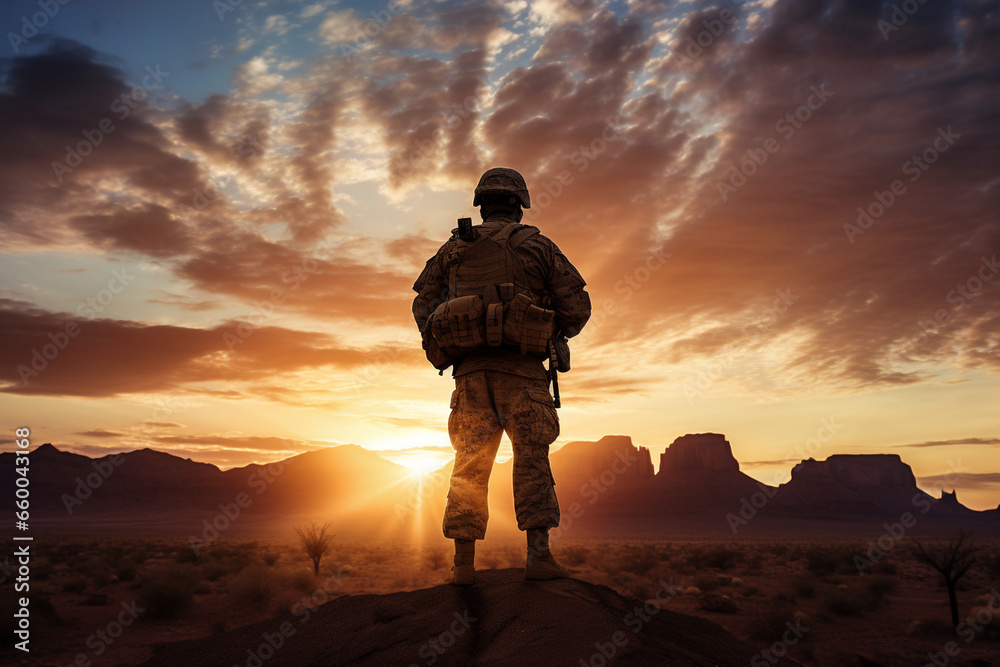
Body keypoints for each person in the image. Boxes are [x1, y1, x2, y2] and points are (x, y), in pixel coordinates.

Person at [411, 167, 591, 585]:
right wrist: (544, 326)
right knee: (531, 459)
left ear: (481, 203)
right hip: (523, 372)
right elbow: (577, 309)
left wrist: (448, 337)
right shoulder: (538, 247)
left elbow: (424, 306)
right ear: (520, 205)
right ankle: (538, 556)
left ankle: (463, 565)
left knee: (469, 464)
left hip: (470, 376)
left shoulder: (453, 249)